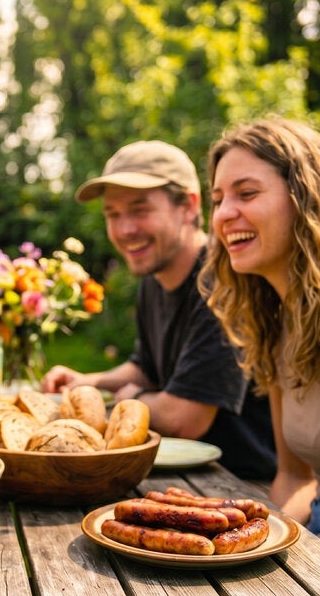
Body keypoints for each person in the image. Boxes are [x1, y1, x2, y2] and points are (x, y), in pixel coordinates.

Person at [40, 140, 276, 480]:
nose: (124, 230)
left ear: (189, 207)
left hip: (243, 485)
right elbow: (145, 367)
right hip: (178, 477)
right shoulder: (155, 279)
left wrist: (131, 397)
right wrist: (85, 384)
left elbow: (186, 417)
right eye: (113, 215)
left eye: (139, 210)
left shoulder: (224, 281)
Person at [200, 117, 320, 572]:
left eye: (247, 193)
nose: (223, 215)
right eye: (217, 200)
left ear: (307, 199)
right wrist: (255, 545)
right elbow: (295, 478)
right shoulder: (278, 319)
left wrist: (291, 576)